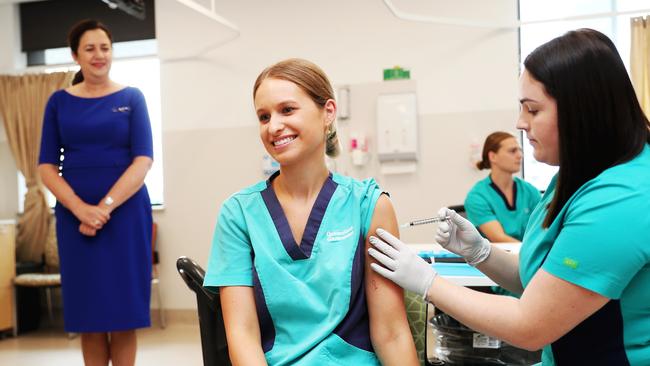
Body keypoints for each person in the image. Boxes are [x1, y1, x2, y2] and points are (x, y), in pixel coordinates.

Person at [367, 28, 650, 365]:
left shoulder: (622, 199)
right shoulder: (577, 173)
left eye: (532, 110)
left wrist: (428, 283)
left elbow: (530, 324)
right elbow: (543, 280)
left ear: (581, 110)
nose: (520, 123)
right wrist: (481, 253)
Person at [203, 58, 418, 365]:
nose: (274, 126)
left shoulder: (369, 205)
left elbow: (391, 333)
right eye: (264, 117)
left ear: (328, 112)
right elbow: (242, 334)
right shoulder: (239, 214)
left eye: (287, 110)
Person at [38, 19, 153, 366]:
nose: (99, 55)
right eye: (90, 48)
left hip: (127, 217)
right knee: (88, 316)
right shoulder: (58, 103)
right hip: (75, 222)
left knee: (123, 315)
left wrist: (102, 208)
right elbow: (46, 167)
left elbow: (143, 160)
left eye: (105, 47)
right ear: (76, 55)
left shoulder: (132, 97)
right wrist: (80, 210)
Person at [465, 131, 541, 242]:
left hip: (530, 254)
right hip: (498, 257)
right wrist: (532, 255)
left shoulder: (530, 191)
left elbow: (543, 230)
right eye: (512, 151)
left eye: (520, 150)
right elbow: (499, 238)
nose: (520, 155)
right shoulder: (477, 197)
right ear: (493, 157)